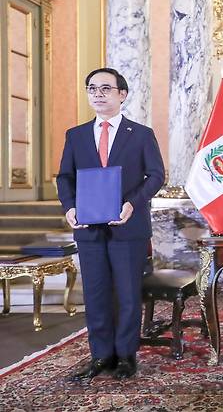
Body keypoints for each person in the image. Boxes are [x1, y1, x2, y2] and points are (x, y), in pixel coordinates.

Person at [57, 68, 165, 381]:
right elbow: (65, 177)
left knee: (128, 294)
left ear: (122, 94)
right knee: (96, 293)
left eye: (106, 88)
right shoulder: (75, 135)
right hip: (88, 228)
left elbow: (156, 175)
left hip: (128, 227)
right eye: (92, 88)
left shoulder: (141, 134)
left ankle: (127, 356)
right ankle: (101, 356)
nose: (98, 94)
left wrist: (133, 202)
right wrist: (70, 207)